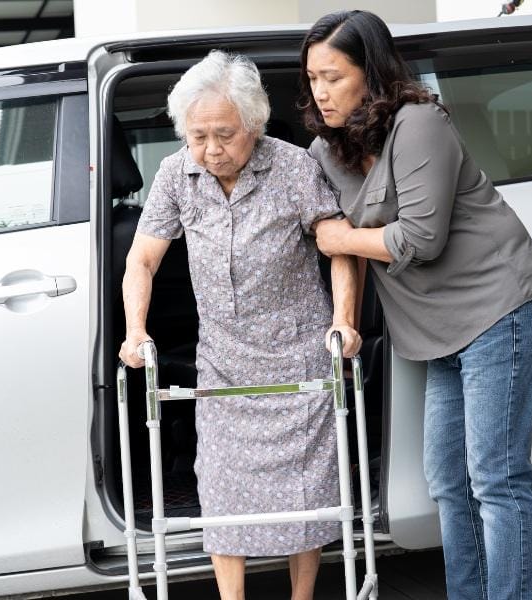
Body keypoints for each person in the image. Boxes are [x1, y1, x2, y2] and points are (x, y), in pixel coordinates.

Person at [300, 11, 532, 600]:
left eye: (334, 76)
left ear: (371, 73)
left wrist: (342, 238)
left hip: (502, 309)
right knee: (449, 483)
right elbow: (352, 253)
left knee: (497, 478)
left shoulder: (418, 124)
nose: (320, 90)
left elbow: (419, 239)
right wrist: (344, 321)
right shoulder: (325, 151)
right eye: (312, 76)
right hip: (436, 333)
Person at [118, 50, 361, 600]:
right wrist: (137, 330)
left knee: (307, 493)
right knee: (222, 489)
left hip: (297, 352)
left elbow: (341, 247)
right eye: (197, 136)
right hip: (223, 361)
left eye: (223, 135)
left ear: (253, 123)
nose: (210, 150)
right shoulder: (178, 173)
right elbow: (143, 259)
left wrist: (343, 322)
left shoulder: (293, 166)